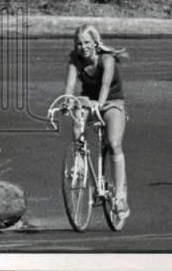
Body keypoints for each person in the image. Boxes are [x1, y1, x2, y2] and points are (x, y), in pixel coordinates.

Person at [63, 24, 130, 222]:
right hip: (89, 100)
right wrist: (68, 101)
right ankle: (79, 161)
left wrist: (99, 105)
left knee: (113, 144)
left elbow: (105, 85)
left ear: (95, 43)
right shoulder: (75, 59)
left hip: (112, 103)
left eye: (86, 43)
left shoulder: (106, 59)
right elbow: (69, 85)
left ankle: (119, 198)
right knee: (78, 114)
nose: (82, 47)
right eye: (78, 44)